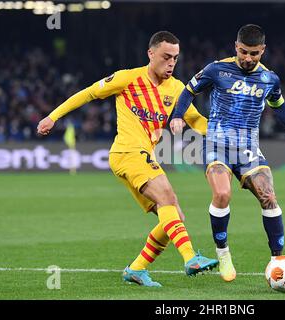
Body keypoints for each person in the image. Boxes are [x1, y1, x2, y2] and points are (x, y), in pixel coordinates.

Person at [37, 31, 218, 287]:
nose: (171, 63)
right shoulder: (128, 78)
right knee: (167, 197)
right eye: (166, 57)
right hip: (128, 151)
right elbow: (88, 93)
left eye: (175, 58)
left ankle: (136, 269)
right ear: (151, 54)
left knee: (173, 216)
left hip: (141, 155)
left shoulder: (177, 89)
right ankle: (191, 258)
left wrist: (225, 134)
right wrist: (52, 117)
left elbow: (195, 119)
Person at [170, 24, 285, 282]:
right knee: (222, 193)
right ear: (236, 47)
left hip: (248, 148)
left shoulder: (269, 79)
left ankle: (278, 260)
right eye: (244, 52)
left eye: (254, 53)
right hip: (216, 143)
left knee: (268, 197)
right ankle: (223, 253)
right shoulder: (216, 69)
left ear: (263, 50)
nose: (248, 58)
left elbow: (279, 105)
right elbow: (188, 91)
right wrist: (176, 116)